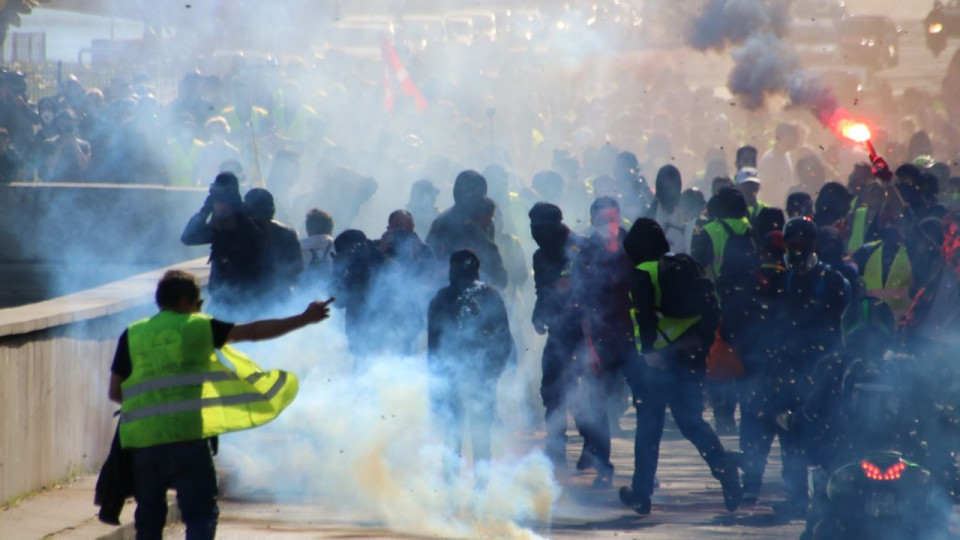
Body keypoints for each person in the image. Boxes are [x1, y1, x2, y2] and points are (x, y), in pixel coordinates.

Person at [108, 269, 332, 539]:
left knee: (148, 519)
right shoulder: (198, 326)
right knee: (200, 515)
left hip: (142, 443)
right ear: (184, 301)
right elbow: (253, 331)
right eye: (198, 304)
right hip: (187, 439)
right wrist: (304, 318)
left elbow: (115, 392)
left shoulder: (132, 334)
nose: (200, 309)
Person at [618, 218, 741, 515]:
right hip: (689, 361)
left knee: (648, 430)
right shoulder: (687, 266)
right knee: (691, 422)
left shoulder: (643, 272)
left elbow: (645, 315)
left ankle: (641, 494)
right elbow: (711, 309)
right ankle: (724, 468)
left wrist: (649, 352)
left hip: (656, 365)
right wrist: (698, 345)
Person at [772, 216, 850, 517]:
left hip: (824, 370)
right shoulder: (785, 280)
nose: (798, 250)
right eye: (792, 245)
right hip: (791, 368)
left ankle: (828, 497)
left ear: (814, 245)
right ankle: (795, 498)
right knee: (789, 431)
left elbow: (839, 324)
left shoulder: (831, 280)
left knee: (826, 432)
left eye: (803, 244)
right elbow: (776, 326)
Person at [427, 250, 513, 485]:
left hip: (464, 377)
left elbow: (433, 347)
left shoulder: (443, 298)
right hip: (473, 377)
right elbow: (505, 342)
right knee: (476, 435)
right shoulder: (489, 296)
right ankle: (477, 491)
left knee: (457, 434)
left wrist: (436, 381)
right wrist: (492, 374)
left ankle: (457, 489)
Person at [572, 196, 635, 487]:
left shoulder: (632, 244)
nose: (609, 225)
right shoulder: (586, 251)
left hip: (633, 336)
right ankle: (603, 465)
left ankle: (645, 473)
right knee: (598, 404)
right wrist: (591, 346)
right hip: (602, 338)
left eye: (613, 217)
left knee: (647, 403)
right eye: (602, 220)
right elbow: (583, 303)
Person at [529, 202, 586, 470]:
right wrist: (538, 314)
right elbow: (543, 290)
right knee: (552, 387)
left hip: (586, 330)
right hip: (559, 331)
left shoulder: (579, 248)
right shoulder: (540, 256)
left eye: (541, 228)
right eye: (533, 228)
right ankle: (555, 447)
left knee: (578, 392)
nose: (536, 233)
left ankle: (595, 446)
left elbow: (595, 290)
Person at [180, 172, 267, 311]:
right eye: (216, 202)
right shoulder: (218, 225)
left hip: (247, 301)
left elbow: (256, 244)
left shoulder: (247, 222)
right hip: (219, 300)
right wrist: (205, 210)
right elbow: (188, 237)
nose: (219, 207)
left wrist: (238, 215)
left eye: (223, 203)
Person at [243, 188, 304, 303]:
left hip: (251, 299)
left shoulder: (240, 232)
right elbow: (297, 272)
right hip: (278, 298)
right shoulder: (288, 233)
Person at [646, 164, 685, 252]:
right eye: (666, 185)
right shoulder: (650, 215)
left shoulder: (685, 214)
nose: (669, 190)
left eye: (672, 185)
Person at [299, 208, 336, 288]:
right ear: (330, 228)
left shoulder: (297, 248)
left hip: (303, 296)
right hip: (331, 294)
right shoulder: (337, 247)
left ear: (308, 229)